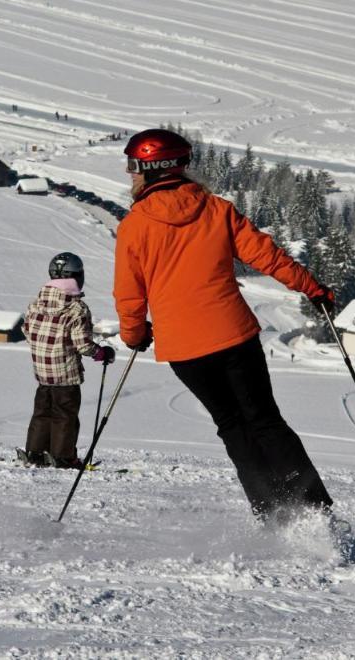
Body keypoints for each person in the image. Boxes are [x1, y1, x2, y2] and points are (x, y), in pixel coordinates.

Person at [113, 128, 335, 525]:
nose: (130, 175)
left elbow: (130, 294)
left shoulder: (134, 227)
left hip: (185, 350)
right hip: (233, 335)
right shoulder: (217, 209)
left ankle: (273, 516)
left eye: (133, 167)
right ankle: (315, 513)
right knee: (265, 420)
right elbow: (267, 256)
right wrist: (312, 289)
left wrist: (134, 334)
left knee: (233, 426)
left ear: (151, 167)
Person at [21, 252, 115, 469]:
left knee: (42, 412)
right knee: (65, 416)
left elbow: (27, 331)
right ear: (77, 277)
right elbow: (83, 345)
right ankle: (63, 456)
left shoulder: (36, 303)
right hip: (66, 374)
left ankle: (35, 453)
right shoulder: (76, 309)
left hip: (42, 372)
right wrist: (102, 353)